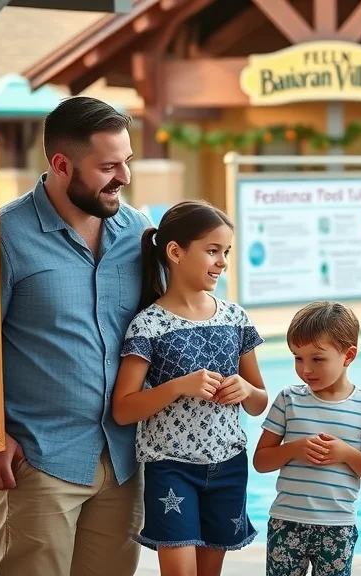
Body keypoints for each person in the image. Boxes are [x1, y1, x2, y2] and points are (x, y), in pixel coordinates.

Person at [0, 96, 147, 576]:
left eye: (127, 162)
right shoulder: (3, 236)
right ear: (61, 164)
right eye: (109, 166)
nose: (125, 178)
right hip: (38, 457)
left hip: (123, 458)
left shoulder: (138, 233)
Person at [111, 199, 268, 576]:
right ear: (175, 252)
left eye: (226, 252)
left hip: (229, 466)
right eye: (213, 251)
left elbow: (260, 401)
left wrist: (245, 389)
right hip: (171, 469)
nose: (222, 262)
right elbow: (123, 409)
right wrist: (179, 386)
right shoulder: (148, 325)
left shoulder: (236, 318)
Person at [253, 301, 361, 576]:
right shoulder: (288, 399)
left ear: (348, 356)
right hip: (286, 521)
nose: (306, 370)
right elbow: (261, 461)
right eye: (297, 358)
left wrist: (346, 453)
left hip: (338, 526)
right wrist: (294, 448)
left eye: (317, 359)